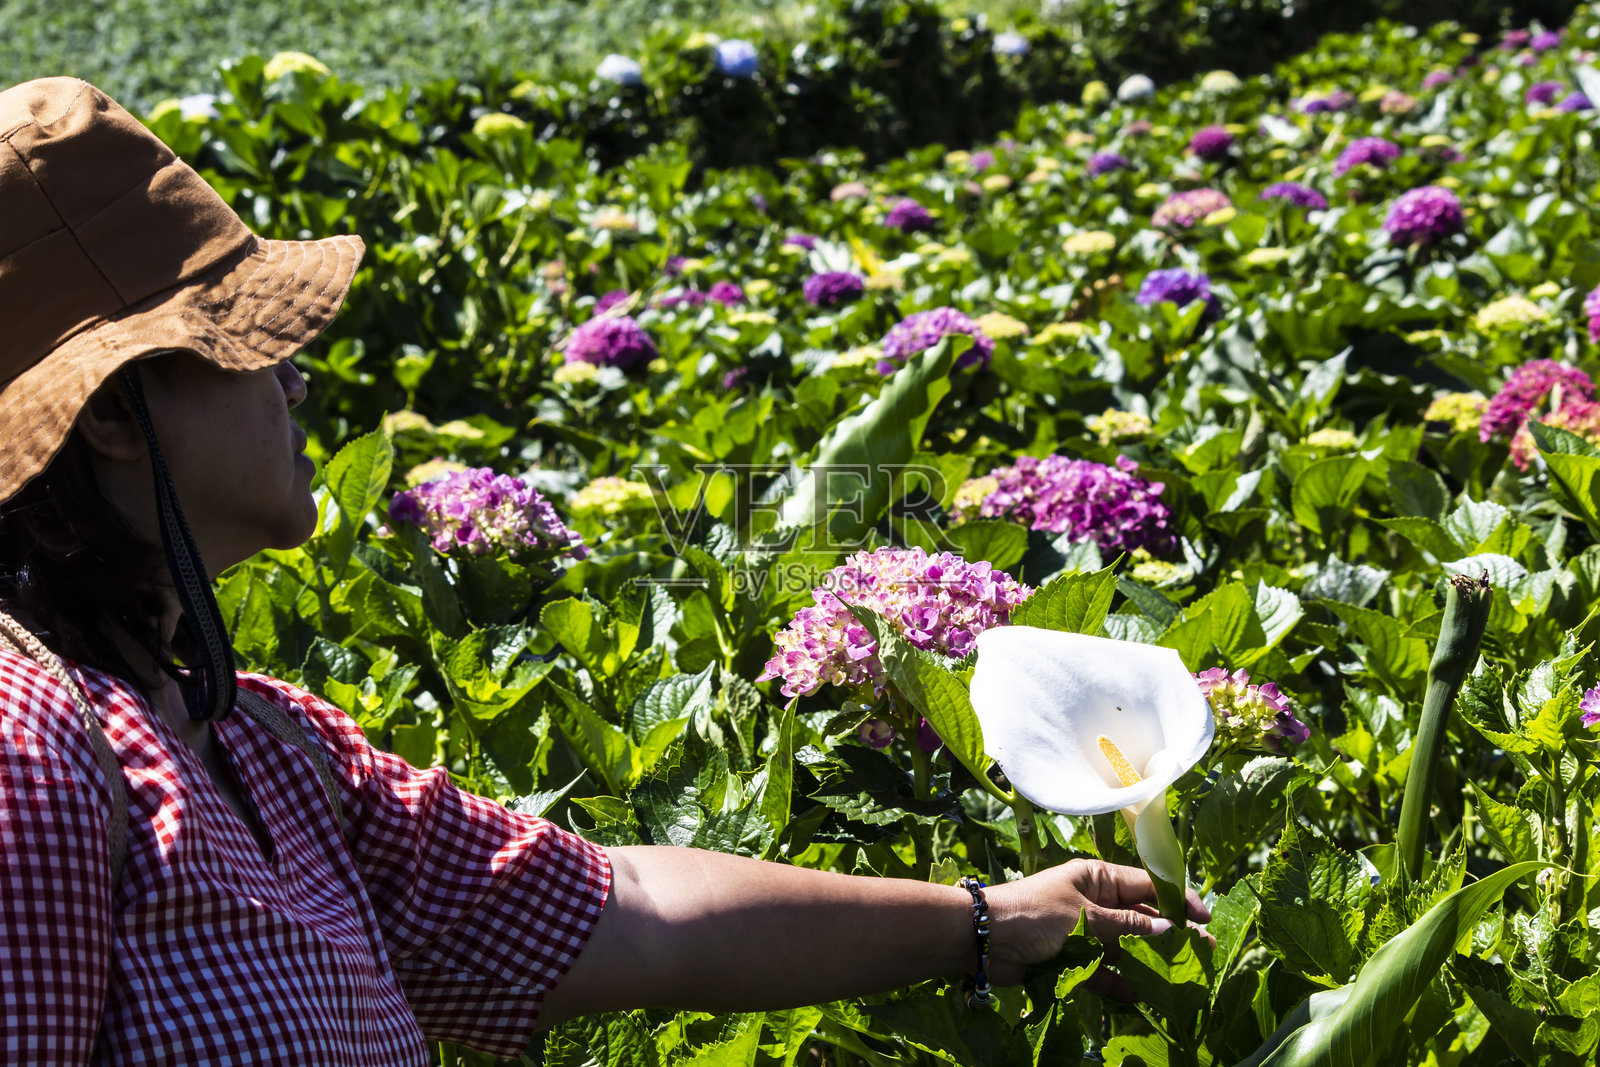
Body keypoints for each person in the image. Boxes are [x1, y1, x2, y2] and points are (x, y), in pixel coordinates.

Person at [0, 77, 1209, 1063]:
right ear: (111, 415)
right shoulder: (30, 754)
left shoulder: (259, 746)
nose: (298, 384)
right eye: (251, 350)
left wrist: (989, 920)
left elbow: (629, 908)